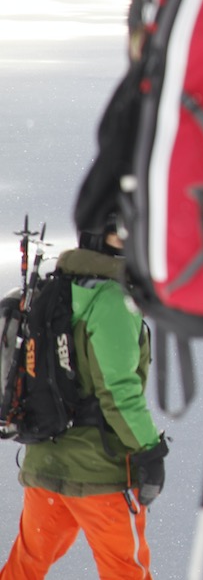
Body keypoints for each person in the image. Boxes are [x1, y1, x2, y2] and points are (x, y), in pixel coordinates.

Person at [0, 226, 168, 580]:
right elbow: (119, 392)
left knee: (25, 568)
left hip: (44, 465)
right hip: (101, 476)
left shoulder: (56, 288)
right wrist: (150, 450)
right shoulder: (113, 302)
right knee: (126, 573)